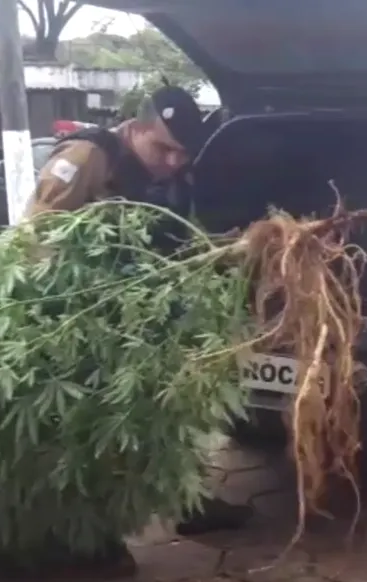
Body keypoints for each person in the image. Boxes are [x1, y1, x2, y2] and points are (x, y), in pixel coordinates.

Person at [25, 86, 253, 539]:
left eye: (181, 154)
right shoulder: (89, 157)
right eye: (163, 148)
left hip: (149, 318)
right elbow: (37, 240)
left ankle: (186, 500)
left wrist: (230, 249)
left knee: (170, 414)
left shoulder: (173, 176)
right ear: (136, 128)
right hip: (89, 319)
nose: (172, 162)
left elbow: (179, 241)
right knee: (97, 429)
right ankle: (91, 536)